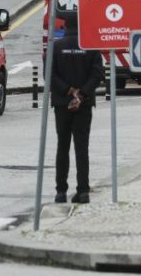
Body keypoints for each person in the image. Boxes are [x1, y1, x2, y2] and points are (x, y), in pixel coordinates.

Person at [51, 16, 103, 204]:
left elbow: (49, 74)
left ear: (65, 26)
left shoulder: (56, 46)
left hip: (61, 104)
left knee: (62, 146)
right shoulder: (90, 46)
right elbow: (97, 73)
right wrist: (81, 95)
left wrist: (68, 91)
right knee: (82, 147)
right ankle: (83, 191)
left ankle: (61, 191)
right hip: (84, 104)